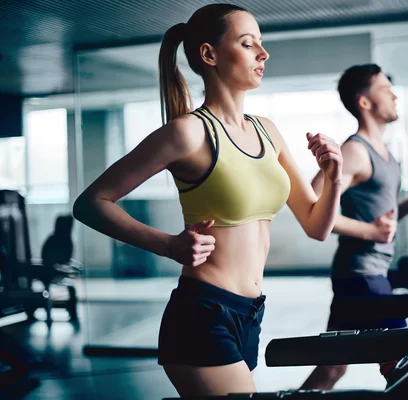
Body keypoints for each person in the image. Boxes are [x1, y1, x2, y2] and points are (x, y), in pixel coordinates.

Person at [72, 4, 343, 397]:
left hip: (250, 314)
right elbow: (91, 202)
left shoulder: (268, 131)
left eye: (261, 44)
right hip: (202, 314)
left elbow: (317, 226)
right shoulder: (187, 133)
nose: (262, 54)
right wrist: (168, 245)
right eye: (248, 44)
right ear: (209, 55)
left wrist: (333, 179)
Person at [299, 64, 408, 391]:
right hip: (363, 276)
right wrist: (370, 233)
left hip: (361, 275)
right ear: (365, 102)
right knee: (407, 360)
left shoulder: (387, 154)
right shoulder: (356, 151)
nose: (394, 94)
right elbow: (312, 205)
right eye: (385, 89)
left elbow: (380, 222)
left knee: (332, 369)